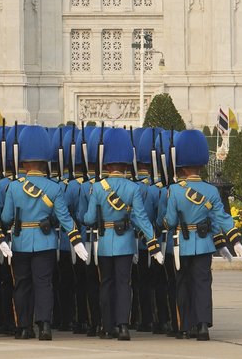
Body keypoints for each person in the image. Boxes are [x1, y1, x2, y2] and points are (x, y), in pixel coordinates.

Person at [0, 124, 85, 342]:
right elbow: (64, 218)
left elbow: (7, 218)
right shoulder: (54, 188)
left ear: (24, 161)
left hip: (20, 241)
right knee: (44, 284)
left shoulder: (15, 187)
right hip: (46, 242)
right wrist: (76, 240)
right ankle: (45, 325)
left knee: (22, 284)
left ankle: (24, 326)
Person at [163, 129, 242, 342]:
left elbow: (170, 221)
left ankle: (186, 325)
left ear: (181, 165)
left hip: (181, 244)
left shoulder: (175, 190)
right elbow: (222, 217)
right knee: (202, 284)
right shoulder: (210, 191)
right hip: (205, 244)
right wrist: (235, 240)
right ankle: (202, 326)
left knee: (183, 284)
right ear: (201, 164)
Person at [82, 127, 162, 341]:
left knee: (106, 284)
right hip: (126, 242)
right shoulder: (133, 188)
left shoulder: (98, 188)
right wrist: (153, 242)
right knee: (124, 285)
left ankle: (108, 327)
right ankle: (123, 326)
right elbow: (141, 218)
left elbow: (89, 218)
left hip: (105, 243)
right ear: (127, 164)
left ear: (106, 164)